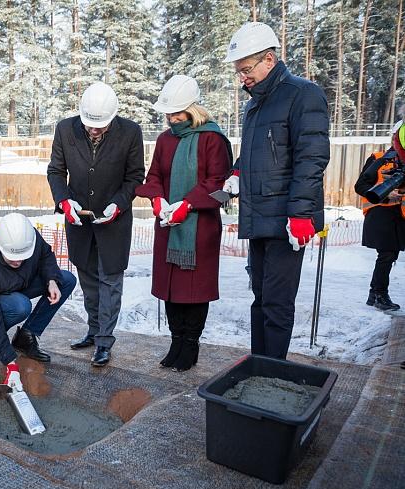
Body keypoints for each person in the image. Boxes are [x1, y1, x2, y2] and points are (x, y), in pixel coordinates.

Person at [222, 22, 329, 360]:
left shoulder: (303, 95)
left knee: (278, 302)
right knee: (261, 297)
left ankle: (273, 370)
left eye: (246, 69)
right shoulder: (254, 105)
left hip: (286, 222)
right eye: (239, 71)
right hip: (258, 216)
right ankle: (259, 363)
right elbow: (255, 151)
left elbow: (311, 159)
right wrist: (236, 173)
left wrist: (300, 214)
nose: (242, 77)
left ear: (269, 59)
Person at [134, 75, 231, 372]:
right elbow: (154, 177)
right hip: (167, 227)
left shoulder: (212, 139)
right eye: (169, 113)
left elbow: (219, 184)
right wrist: (158, 200)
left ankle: (190, 344)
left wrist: (187, 204)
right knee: (171, 288)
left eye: (178, 112)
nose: (172, 118)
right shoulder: (165, 140)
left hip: (199, 229)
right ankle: (176, 340)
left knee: (194, 290)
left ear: (194, 109)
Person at [47, 82, 145, 367]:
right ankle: (93, 331)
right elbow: (56, 170)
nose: (94, 130)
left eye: (100, 126)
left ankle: (104, 341)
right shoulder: (65, 129)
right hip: (79, 222)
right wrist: (64, 201)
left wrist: (119, 203)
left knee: (110, 281)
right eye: (90, 125)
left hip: (113, 223)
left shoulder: (130, 132)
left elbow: (135, 176)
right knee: (88, 279)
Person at [0, 213, 77, 384]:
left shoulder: (29, 238)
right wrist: (9, 361)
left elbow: (45, 256)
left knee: (65, 280)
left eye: (23, 256)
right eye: (12, 258)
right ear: (1, 247)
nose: (18, 261)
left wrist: (51, 280)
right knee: (20, 306)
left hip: (18, 282)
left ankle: (25, 337)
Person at [354, 122, 405, 311]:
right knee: (387, 254)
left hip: (398, 216)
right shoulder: (379, 158)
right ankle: (379, 294)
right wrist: (385, 193)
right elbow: (360, 186)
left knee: (390, 255)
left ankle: (375, 293)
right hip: (381, 214)